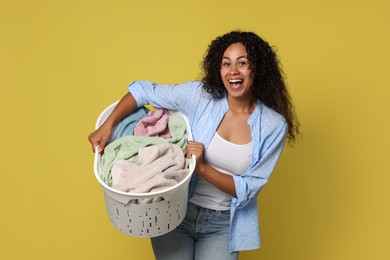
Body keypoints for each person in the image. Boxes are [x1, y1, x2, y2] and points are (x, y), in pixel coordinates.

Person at [88, 30, 300, 260]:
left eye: (243, 63)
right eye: (226, 64)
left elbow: (248, 189)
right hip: (175, 211)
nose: (233, 71)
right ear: (218, 69)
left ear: (256, 69)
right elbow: (142, 90)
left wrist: (201, 168)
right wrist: (107, 125)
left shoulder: (273, 126)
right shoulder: (201, 96)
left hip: (223, 224)